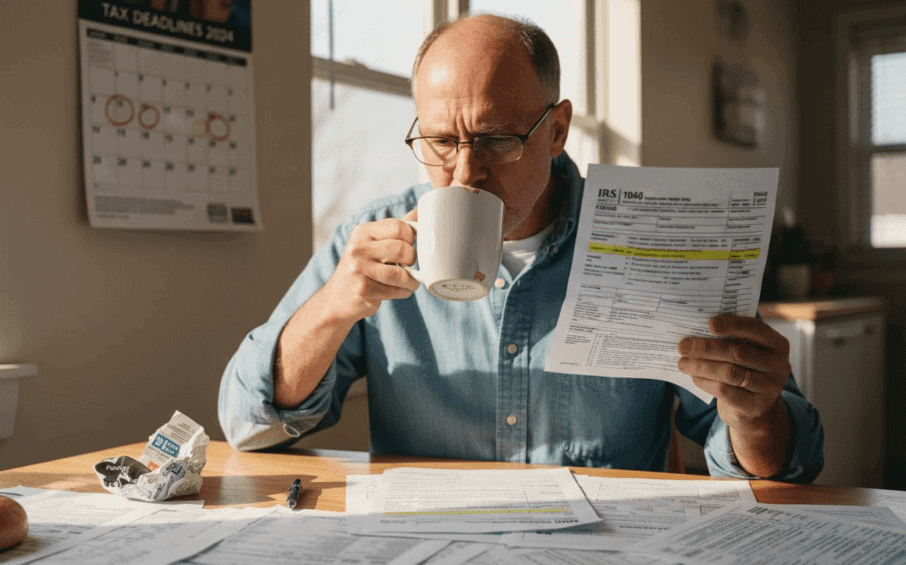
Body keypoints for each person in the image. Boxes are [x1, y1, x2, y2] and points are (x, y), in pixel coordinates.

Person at [218, 14, 824, 482]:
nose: (464, 173)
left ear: (556, 130)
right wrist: (330, 307)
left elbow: (784, 464)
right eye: (438, 141)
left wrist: (754, 414)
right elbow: (247, 423)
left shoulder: (646, 244)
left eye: (495, 140)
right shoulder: (375, 240)